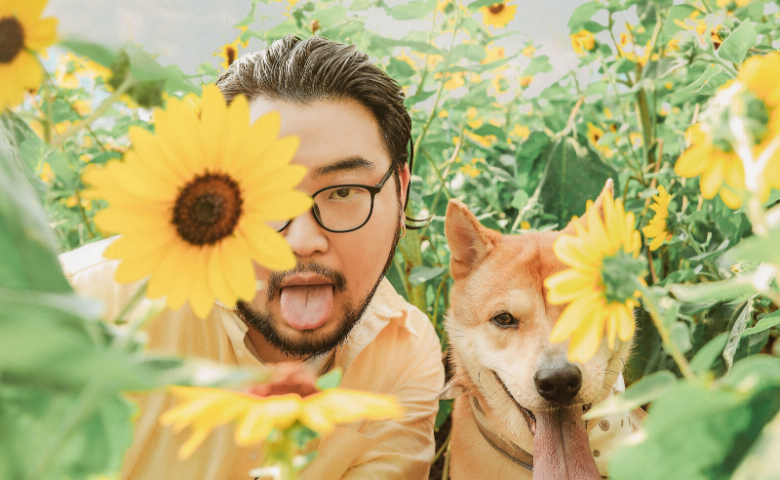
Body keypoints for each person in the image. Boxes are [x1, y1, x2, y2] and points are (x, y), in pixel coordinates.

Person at [59, 35, 445, 480]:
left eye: (344, 191)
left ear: (402, 192)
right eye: (263, 196)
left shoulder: (403, 354)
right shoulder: (80, 309)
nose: (303, 240)